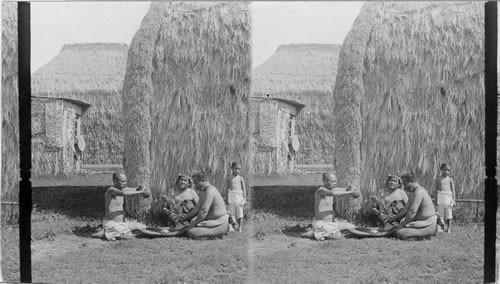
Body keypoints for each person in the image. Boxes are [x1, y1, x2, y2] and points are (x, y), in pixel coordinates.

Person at [301, 172, 360, 241]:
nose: (334, 183)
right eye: (332, 181)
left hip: (331, 223)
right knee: (337, 236)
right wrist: (349, 192)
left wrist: (350, 189)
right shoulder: (321, 190)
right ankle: (313, 233)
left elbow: (341, 190)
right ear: (325, 181)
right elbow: (334, 193)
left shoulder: (332, 189)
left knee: (351, 227)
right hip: (321, 223)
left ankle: (321, 233)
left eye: (335, 181)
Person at [92, 172, 150, 241]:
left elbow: (130, 190)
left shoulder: (122, 189)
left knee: (142, 227)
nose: (125, 183)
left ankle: (112, 233)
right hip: (112, 224)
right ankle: (104, 233)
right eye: (122, 181)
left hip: (122, 223)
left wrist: (139, 188)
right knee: (129, 236)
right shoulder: (111, 190)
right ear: (115, 181)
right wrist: (140, 192)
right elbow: (124, 193)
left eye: (125, 181)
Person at [175, 171, 229, 239]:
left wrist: (193, 224)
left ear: (202, 181)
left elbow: (203, 211)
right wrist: (184, 219)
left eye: (196, 183)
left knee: (192, 232)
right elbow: (197, 209)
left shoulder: (210, 191)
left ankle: (217, 234)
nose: (195, 186)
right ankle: (214, 233)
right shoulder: (203, 192)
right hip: (212, 222)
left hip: (220, 223)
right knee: (187, 229)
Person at [385, 172, 438, 240]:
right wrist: (394, 218)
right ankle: (421, 235)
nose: (404, 187)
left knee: (400, 232)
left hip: (428, 224)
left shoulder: (419, 192)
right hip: (421, 223)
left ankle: (425, 235)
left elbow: (412, 212)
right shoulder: (413, 193)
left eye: (405, 184)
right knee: (396, 229)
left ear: (412, 182)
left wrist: (402, 225)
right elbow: (405, 209)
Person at [434, 163, 456, 233]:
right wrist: (435, 199)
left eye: (448, 170)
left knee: (449, 213)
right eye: (445, 169)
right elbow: (436, 190)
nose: (446, 171)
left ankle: (449, 228)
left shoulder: (450, 179)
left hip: (448, 197)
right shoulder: (438, 179)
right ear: (441, 170)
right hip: (441, 197)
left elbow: (453, 190)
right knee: (440, 213)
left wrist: (454, 200)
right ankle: (441, 227)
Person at [227, 162, 246, 232]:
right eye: (235, 168)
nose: (237, 170)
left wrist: (244, 198)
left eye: (239, 169)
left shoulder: (241, 178)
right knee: (231, 212)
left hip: (239, 196)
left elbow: (244, 189)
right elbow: (227, 189)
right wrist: (227, 198)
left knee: (240, 212)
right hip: (231, 195)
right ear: (231, 168)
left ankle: (240, 227)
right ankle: (232, 226)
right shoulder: (229, 178)